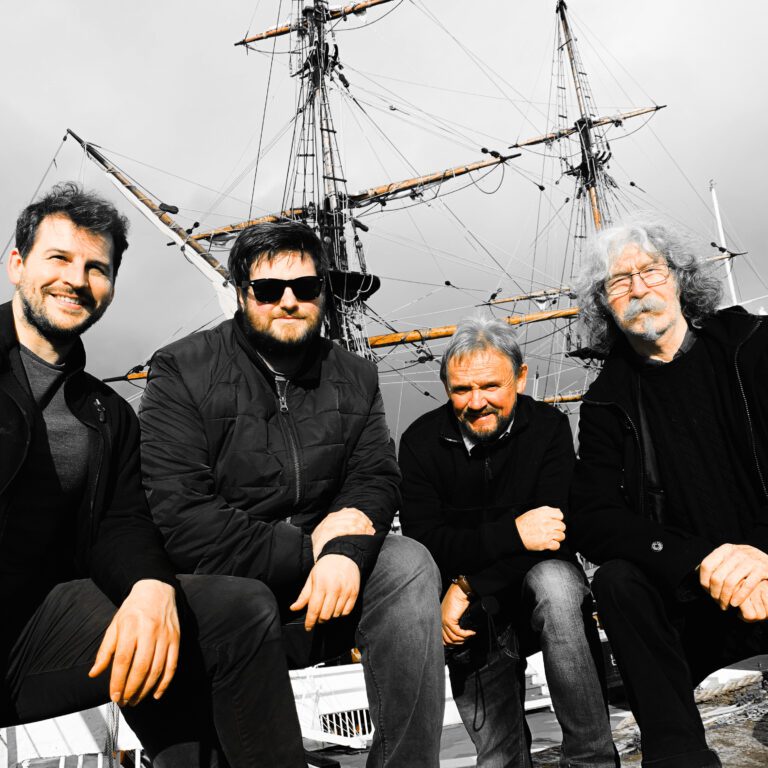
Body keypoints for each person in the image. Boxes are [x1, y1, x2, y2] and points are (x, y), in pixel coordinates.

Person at [0, 182, 306, 768]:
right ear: (18, 264)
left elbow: (122, 522)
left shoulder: (105, 413)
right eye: (59, 258)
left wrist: (150, 586)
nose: (76, 279)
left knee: (231, 611)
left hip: (33, 632)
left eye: (97, 267)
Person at [139, 220, 444, 768]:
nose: (289, 301)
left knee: (407, 563)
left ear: (323, 293)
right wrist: (306, 552)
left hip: (326, 582)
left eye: (305, 288)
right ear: (240, 292)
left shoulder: (354, 374)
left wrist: (344, 554)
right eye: (268, 289)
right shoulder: (181, 370)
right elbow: (180, 515)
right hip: (226, 580)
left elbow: (375, 476)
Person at [571, 216, 768, 768]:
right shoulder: (606, 400)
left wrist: (757, 553)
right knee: (618, 580)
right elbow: (592, 514)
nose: (637, 289)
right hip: (689, 590)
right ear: (604, 305)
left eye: (649, 271)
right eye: (618, 282)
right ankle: (677, 754)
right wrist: (698, 558)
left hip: (766, 562)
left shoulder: (752, 347)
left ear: (679, 277)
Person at [399, 315, 617, 768]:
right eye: (461, 390)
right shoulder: (420, 442)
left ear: (520, 376)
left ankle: (592, 759)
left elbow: (555, 536)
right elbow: (426, 545)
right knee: (499, 760)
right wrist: (515, 533)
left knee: (557, 584)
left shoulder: (549, 428)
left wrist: (466, 585)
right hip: (473, 615)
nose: (477, 402)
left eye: (490, 386)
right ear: (445, 387)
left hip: (513, 590)